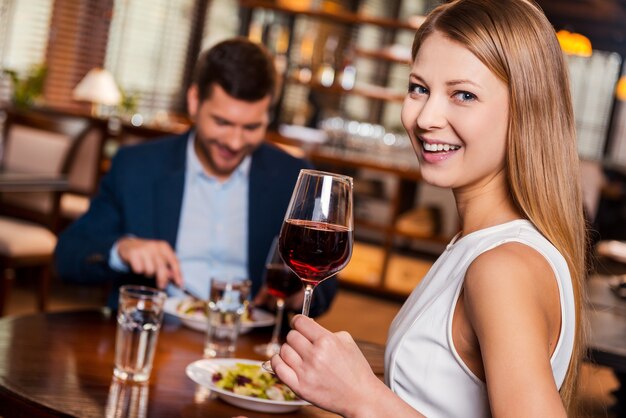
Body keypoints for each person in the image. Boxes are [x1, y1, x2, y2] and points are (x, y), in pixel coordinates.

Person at [270, 0, 587, 416]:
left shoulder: (502, 267)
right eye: (419, 88)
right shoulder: (483, 245)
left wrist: (363, 398)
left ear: (526, 112)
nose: (425, 118)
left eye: (464, 95)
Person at [54, 37, 337, 317]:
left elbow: (326, 288)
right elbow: (69, 256)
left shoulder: (291, 176)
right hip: (157, 332)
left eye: (251, 127)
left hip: (251, 348)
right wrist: (122, 248)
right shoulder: (137, 166)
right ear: (194, 102)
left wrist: (299, 293)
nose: (235, 143)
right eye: (222, 122)